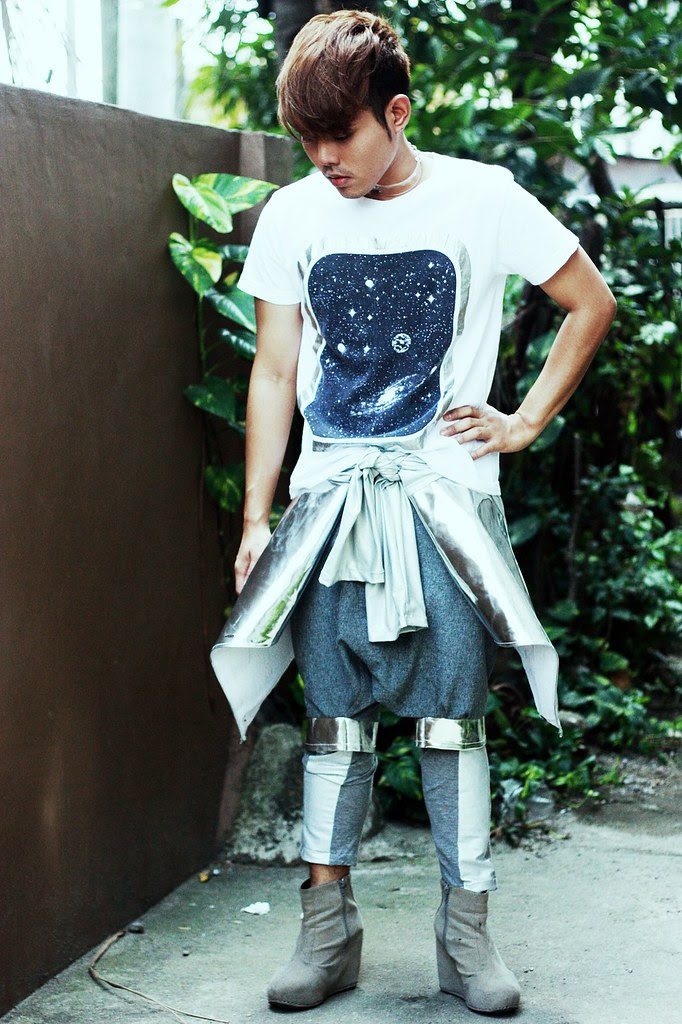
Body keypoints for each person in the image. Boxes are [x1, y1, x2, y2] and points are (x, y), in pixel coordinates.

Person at [209, 9, 616, 1015]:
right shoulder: (294, 214)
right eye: (307, 139)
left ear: (396, 112)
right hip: (329, 510)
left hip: (444, 507)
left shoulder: (483, 197)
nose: (324, 158)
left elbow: (590, 300)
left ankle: (465, 939)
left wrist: (523, 421)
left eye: (340, 134)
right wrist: (256, 520)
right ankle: (326, 934)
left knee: (451, 723)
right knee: (334, 724)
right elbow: (273, 372)